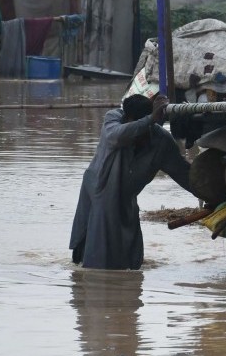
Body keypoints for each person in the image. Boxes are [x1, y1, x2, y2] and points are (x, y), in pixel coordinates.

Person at [70, 94, 193, 270]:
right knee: (92, 262)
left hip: (126, 200)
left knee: (131, 262)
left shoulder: (161, 142)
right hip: (98, 195)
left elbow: (184, 174)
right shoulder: (113, 120)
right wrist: (150, 119)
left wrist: (218, 197)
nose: (137, 134)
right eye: (133, 125)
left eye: (142, 129)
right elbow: (117, 136)